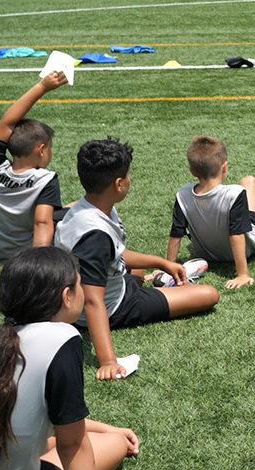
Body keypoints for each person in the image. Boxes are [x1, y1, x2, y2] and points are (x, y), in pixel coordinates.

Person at [55, 139, 221, 380]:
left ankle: (159, 281)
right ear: (119, 184)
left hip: (108, 285)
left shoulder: (88, 206)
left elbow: (114, 254)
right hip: (115, 306)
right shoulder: (94, 235)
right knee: (208, 295)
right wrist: (108, 361)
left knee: (138, 273)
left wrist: (161, 262)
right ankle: (168, 288)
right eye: (129, 175)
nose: (131, 180)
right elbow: (93, 301)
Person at [0, 247, 140, 470]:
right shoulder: (61, 337)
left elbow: (35, 420)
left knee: (101, 436)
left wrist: (104, 427)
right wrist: (111, 435)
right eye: (79, 283)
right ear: (67, 296)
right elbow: (72, 445)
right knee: (115, 444)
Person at [0, 72, 67, 261]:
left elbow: (7, 122)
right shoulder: (45, 180)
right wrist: (36, 263)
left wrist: (42, 86)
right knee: (81, 209)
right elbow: (42, 223)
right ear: (41, 150)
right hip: (20, 254)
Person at [166, 136, 255, 289]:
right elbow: (236, 234)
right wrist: (242, 274)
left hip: (205, 254)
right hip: (245, 251)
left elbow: (176, 235)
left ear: (192, 171)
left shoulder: (183, 194)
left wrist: (168, 268)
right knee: (250, 181)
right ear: (224, 167)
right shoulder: (235, 193)